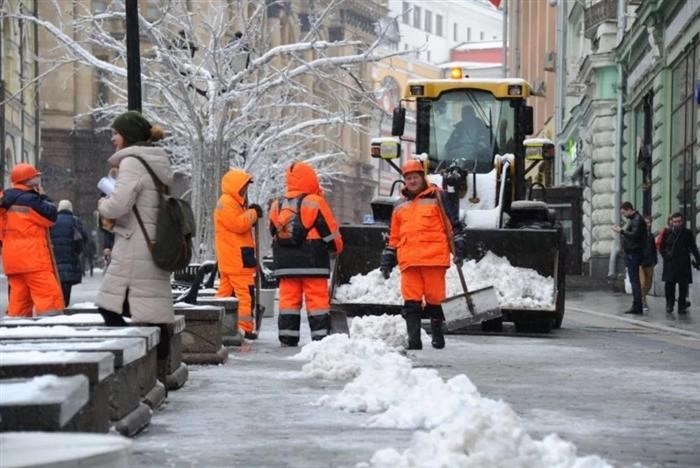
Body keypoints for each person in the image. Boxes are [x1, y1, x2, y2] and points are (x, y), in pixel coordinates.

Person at [95, 110, 175, 331]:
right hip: (152, 240)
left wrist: (103, 204)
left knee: (109, 308)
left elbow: (118, 205)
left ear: (128, 135)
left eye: (116, 133)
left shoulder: (132, 161)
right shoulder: (154, 159)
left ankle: (138, 358)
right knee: (150, 311)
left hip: (134, 244)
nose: (112, 138)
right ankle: (160, 359)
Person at [379, 159, 466, 350]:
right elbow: (394, 236)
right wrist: (388, 258)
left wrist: (458, 246)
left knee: (435, 300)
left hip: (434, 259)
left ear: (422, 177)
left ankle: (437, 334)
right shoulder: (399, 206)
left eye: (415, 177)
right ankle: (414, 340)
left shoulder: (439, 197)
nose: (412, 181)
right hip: (409, 261)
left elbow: (453, 224)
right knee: (411, 302)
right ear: (405, 181)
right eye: (408, 178)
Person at [269, 161, 343, 346]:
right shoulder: (315, 201)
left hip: (285, 263)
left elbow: (273, 231)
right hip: (313, 261)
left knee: (288, 301)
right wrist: (336, 249)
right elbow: (330, 231)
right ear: (311, 179)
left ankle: (288, 337)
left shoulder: (277, 203)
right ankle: (320, 338)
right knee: (317, 300)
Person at [0, 163, 64, 317]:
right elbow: (51, 216)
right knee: (49, 295)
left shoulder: (5, 199)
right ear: (27, 180)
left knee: (20, 300)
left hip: (12, 259)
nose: (38, 177)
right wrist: (43, 196)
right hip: (33, 258)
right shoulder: (31, 200)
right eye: (35, 175)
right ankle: (51, 326)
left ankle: (15, 330)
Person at [214, 168, 263, 340]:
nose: (245, 190)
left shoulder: (231, 202)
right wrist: (253, 213)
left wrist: (249, 211)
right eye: (243, 187)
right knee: (245, 294)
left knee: (224, 295)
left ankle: (216, 325)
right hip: (237, 258)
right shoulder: (228, 203)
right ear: (236, 186)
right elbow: (239, 224)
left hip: (232, 257)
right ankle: (244, 327)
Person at [659, 212, 700, 316]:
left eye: (679, 221)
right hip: (670, 263)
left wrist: (698, 260)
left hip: (683, 263)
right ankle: (669, 304)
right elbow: (661, 247)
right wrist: (666, 257)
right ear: (671, 222)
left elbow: (693, 247)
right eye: (675, 221)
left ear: (682, 222)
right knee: (669, 286)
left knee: (683, 287)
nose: (677, 223)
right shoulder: (667, 232)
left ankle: (681, 307)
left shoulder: (687, 233)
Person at [49, 200, 88, 306]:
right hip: (70, 255)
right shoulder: (75, 220)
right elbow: (84, 237)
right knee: (67, 282)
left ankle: (58, 304)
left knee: (57, 282)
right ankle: (65, 304)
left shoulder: (52, 220)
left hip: (55, 256)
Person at [612, 201, 647, 315]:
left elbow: (634, 235)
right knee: (634, 280)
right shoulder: (635, 219)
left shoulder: (637, 219)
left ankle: (637, 305)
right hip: (632, 253)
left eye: (623, 213)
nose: (623, 215)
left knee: (634, 280)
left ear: (628, 209)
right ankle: (637, 305)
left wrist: (621, 231)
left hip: (634, 253)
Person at [639, 215, 657, 313]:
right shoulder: (638, 234)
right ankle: (643, 302)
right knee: (642, 283)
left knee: (649, 284)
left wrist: (655, 260)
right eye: (645, 223)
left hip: (649, 262)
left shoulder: (651, 235)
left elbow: (653, 248)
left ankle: (641, 296)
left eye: (649, 223)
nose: (647, 225)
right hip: (640, 262)